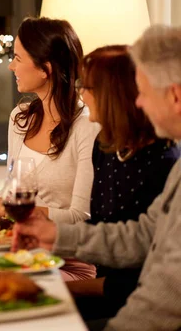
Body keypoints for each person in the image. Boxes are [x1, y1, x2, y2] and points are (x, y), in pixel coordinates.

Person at [13, 25, 181, 331]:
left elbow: (166, 296)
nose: (138, 103)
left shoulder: (167, 161)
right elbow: (144, 234)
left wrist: (61, 288)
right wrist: (54, 235)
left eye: (142, 92)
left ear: (175, 96)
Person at [0, 17, 100, 280]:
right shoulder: (21, 117)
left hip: (66, 262)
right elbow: (12, 190)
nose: (10, 66)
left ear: (45, 69)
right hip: (20, 253)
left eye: (18, 58)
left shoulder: (87, 126)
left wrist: (1, 208)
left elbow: (80, 216)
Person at [67, 45, 179, 320]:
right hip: (103, 288)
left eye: (87, 86)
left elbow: (148, 278)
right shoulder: (104, 147)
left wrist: (68, 288)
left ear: (113, 95)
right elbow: (104, 234)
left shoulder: (165, 164)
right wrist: (48, 238)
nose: (81, 94)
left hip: (130, 303)